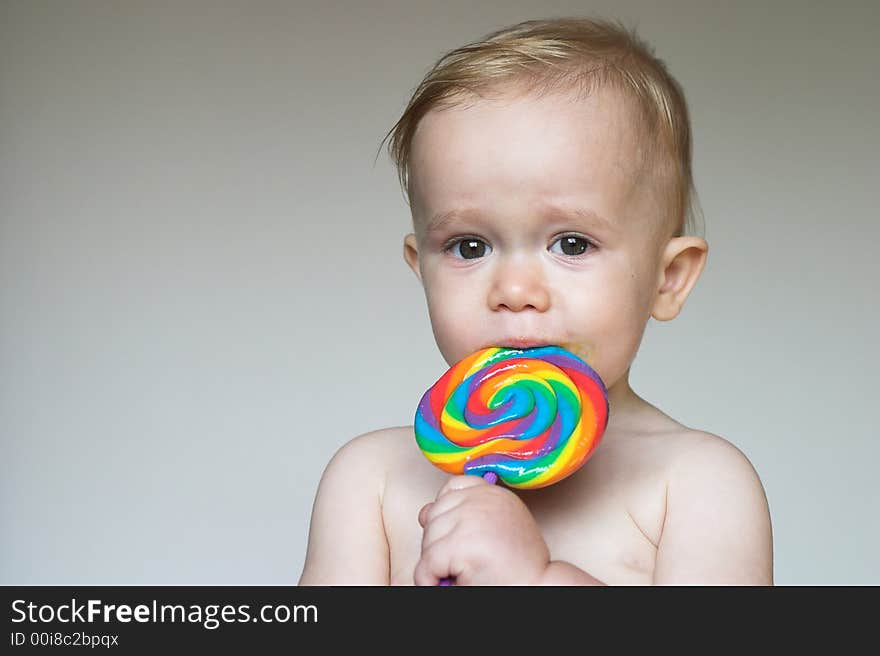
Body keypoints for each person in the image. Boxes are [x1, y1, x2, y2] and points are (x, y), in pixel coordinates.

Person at [299, 17, 773, 585]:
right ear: (420, 271)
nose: (515, 292)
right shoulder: (370, 482)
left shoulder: (697, 485)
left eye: (572, 243)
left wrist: (535, 579)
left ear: (667, 279)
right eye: (468, 246)